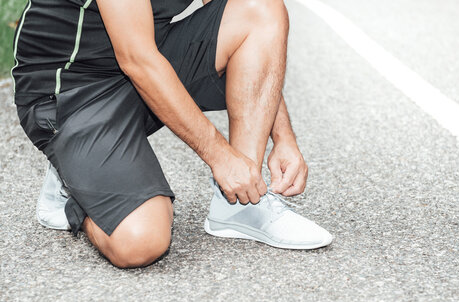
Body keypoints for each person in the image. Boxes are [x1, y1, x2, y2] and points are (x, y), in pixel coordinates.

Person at [12, 0, 333, 268]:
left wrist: (283, 137)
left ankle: (241, 202)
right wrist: (221, 157)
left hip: (146, 58)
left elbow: (243, 20)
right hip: (73, 94)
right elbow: (137, 60)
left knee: (260, 8)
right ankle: (72, 188)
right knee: (142, 241)